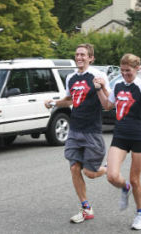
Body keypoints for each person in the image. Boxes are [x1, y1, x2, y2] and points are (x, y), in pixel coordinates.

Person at [45, 43, 111, 223]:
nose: (79, 57)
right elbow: (69, 99)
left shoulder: (98, 75)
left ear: (91, 58)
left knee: (90, 172)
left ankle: (107, 169)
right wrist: (54, 103)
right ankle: (86, 208)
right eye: (77, 54)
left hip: (92, 131)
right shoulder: (71, 78)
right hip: (75, 129)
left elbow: (108, 103)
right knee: (74, 168)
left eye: (83, 54)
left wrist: (103, 87)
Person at [94, 53, 141, 230]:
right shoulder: (117, 85)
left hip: (139, 137)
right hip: (120, 136)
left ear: (137, 70)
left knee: (136, 179)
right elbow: (108, 106)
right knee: (112, 176)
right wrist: (99, 89)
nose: (124, 74)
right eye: (122, 70)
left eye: (128, 71)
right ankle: (125, 187)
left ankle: (140, 214)